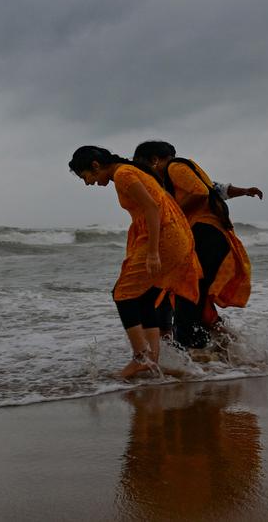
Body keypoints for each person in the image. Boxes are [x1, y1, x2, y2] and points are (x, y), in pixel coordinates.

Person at [69, 146, 202, 378]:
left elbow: (151, 208)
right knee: (147, 296)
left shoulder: (123, 175)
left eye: (86, 177)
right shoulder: (128, 171)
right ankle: (152, 361)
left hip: (163, 238)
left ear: (95, 166)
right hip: (173, 237)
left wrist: (152, 253)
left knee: (122, 293)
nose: (88, 183)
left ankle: (141, 357)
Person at [133, 141, 254, 350]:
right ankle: (233, 350)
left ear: (154, 160)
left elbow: (200, 192)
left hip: (206, 235)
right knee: (195, 297)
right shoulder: (173, 177)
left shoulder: (174, 167)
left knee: (189, 297)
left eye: (142, 166)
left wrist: (171, 214)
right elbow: (216, 189)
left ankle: (199, 355)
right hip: (207, 236)